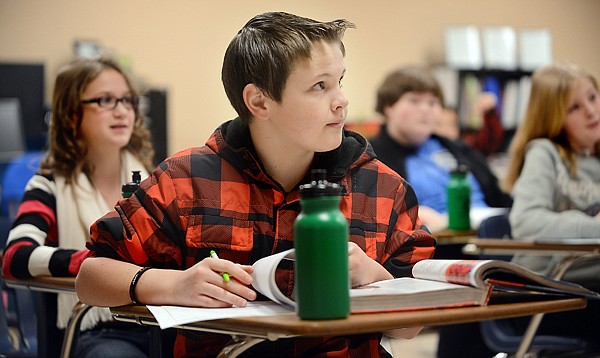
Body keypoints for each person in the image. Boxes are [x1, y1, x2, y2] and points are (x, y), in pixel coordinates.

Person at [75, 12, 435, 357]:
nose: (341, 101)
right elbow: (91, 276)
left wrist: (375, 278)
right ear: (259, 101)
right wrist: (173, 285)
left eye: (339, 81)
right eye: (319, 86)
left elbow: (411, 328)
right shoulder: (186, 180)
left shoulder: (383, 189)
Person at [1, 56, 154, 357]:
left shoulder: (152, 182)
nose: (122, 110)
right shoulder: (48, 185)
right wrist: (95, 265)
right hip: (95, 328)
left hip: (154, 319)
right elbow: (16, 256)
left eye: (127, 100)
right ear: (72, 115)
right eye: (105, 100)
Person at [502, 62, 600, 348]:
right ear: (553, 117)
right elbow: (525, 221)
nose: (592, 112)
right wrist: (594, 227)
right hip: (546, 294)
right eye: (574, 108)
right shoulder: (545, 153)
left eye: (592, 98)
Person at [369, 66, 512, 232]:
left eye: (432, 103)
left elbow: (500, 196)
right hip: (435, 244)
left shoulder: (456, 147)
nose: (425, 110)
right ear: (388, 107)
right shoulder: (371, 156)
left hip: (488, 234)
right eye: (414, 101)